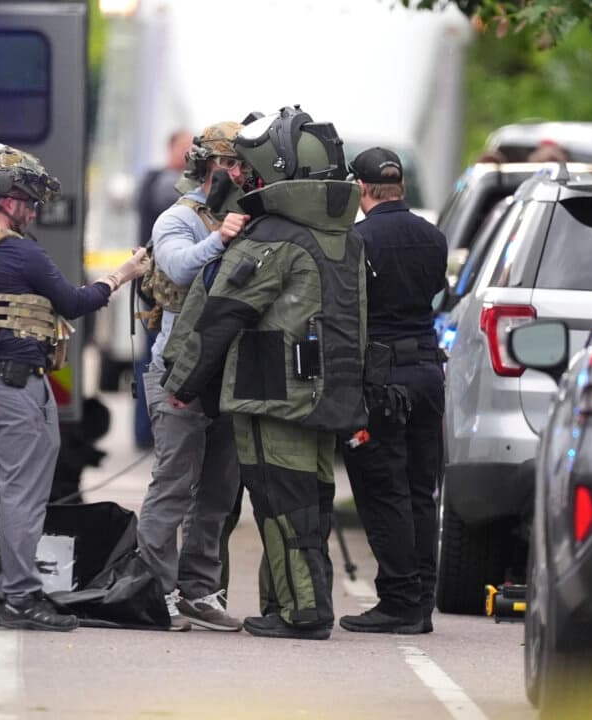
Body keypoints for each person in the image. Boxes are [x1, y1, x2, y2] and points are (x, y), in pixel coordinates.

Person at [163, 105, 367, 640]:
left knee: (282, 504)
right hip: (325, 390)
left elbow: (221, 315)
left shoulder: (270, 237)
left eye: (246, 168)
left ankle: (303, 613)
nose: (238, 176)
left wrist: (182, 384)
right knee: (310, 503)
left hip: (271, 392)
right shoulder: (343, 235)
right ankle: (285, 604)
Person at [0, 144, 149, 631]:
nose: (34, 211)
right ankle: (21, 596)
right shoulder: (21, 251)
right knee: (22, 494)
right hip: (16, 388)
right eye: (29, 201)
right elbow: (75, 302)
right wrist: (124, 273)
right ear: (7, 199)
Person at [135, 121, 249, 632]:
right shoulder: (178, 218)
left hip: (226, 374)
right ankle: (153, 591)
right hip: (177, 371)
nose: (239, 173)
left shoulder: (246, 216)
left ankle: (199, 591)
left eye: (244, 164)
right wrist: (220, 239)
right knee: (173, 487)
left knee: (218, 494)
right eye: (231, 163)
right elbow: (179, 268)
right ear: (208, 165)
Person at [338, 147, 446, 635]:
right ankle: (421, 600)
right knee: (421, 489)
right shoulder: (433, 237)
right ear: (399, 186)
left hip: (383, 380)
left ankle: (399, 600)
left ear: (361, 189)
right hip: (427, 371)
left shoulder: (357, 241)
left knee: (383, 489)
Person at [132, 129, 194, 450]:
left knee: (154, 357)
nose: (189, 154)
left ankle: (148, 430)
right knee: (156, 359)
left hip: (156, 287)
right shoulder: (164, 183)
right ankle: (148, 431)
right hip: (158, 291)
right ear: (171, 148)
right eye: (185, 147)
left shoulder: (152, 180)